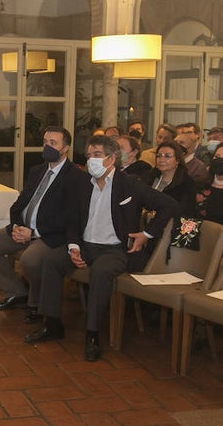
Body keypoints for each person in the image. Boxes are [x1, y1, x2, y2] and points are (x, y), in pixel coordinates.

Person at [26, 135, 177, 361]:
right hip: (86, 245)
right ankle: (52, 323)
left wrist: (146, 234)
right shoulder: (83, 186)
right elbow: (73, 221)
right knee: (51, 260)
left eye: (97, 155)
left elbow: (169, 205)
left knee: (101, 271)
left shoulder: (130, 184)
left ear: (111, 158)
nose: (91, 161)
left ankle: (93, 334)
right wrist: (74, 247)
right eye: (88, 156)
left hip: (114, 249)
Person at [0, 127, 89, 321]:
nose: (47, 146)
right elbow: (20, 204)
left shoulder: (76, 177)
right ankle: (17, 293)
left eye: (53, 143)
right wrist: (16, 226)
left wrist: (34, 232)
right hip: (24, 229)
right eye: (45, 142)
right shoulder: (37, 170)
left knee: (30, 260)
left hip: (50, 235)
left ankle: (38, 302)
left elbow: (69, 217)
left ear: (65, 148)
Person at [147, 141, 198, 217]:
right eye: (158, 156)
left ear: (177, 160)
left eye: (167, 156)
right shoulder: (149, 176)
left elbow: (186, 213)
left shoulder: (186, 184)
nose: (161, 160)